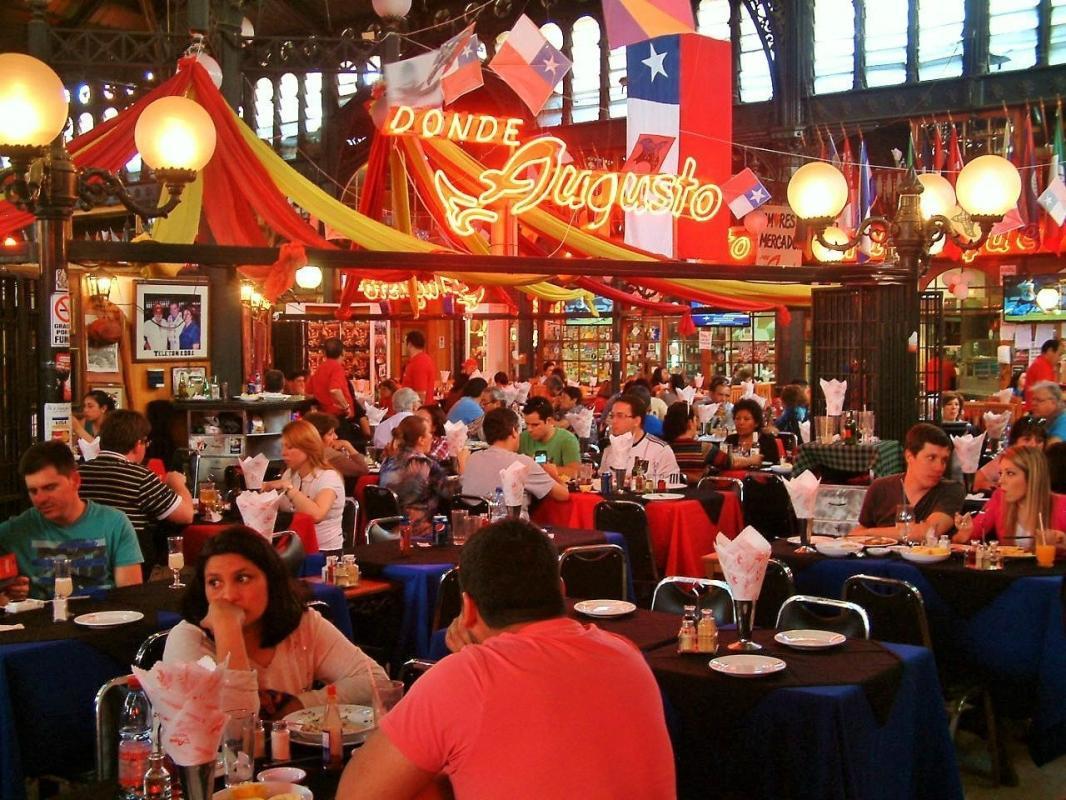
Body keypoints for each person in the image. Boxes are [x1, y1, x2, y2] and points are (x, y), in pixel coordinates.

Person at [337, 519, 676, 800]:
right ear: (560, 590)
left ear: (467, 608)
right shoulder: (627, 654)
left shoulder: (465, 678)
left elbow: (356, 793)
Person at [163, 526, 387, 719]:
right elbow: (237, 729)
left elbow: (376, 683)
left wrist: (303, 704)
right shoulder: (188, 640)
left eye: (242, 579)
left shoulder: (302, 624)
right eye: (215, 582)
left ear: (271, 582)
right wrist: (228, 630)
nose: (228, 595)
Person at [0, 441, 142, 601]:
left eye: (49, 487)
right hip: (44, 622)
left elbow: (131, 597)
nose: (40, 499)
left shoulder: (114, 523)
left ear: (75, 481)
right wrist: (8, 591)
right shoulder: (16, 530)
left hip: (105, 619)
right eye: (33, 491)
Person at [78, 410, 195, 575]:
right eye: (146, 443)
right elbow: (186, 515)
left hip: (85, 559)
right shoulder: (140, 477)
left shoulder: (78, 473)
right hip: (129, 564)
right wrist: (177, 483)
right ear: (138, 444)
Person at [851, 423, 964, 542]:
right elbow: (861, 529)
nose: (939, 467)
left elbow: (929, 532)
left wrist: (867, 534)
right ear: (909, 456)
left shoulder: (952, 490)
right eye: (931, 458)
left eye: (944, 460)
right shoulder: (880, 487)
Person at [953, 446, 1066, 547]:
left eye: (1010, 473)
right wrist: (964, 534)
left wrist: (1063, 542)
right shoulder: (999, 498)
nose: (1001, 481)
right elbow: (965, 539)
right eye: (1001, 473)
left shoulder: (1062, 505)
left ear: (1033, 478)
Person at [263, 420, 345, 556]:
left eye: (289, 448)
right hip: (292, 547)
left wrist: (288, 488)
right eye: (283, 447)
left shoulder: (328, 477)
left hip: (324, 553)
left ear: (308, 448)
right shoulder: (290, 474)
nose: (283, 453)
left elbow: (317, 515)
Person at [461, 408, 569, 504]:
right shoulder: (523, 463)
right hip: (512, 525)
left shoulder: (473, 458)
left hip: (476, 523)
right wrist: (553, 474)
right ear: (514, 431)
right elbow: (563, 495)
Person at [379, 416, 454, 533]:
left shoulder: (388, 460)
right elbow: (449, 493)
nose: (432, 437)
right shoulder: (424, 464)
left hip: (386, 528)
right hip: (418, 529)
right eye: (429, 433)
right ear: (421, 440)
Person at [599, 393, 680, 484]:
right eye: (612, 416)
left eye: (620, 416)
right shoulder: (609, 449)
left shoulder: (660, 450)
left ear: (637, 421)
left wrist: (640, 482)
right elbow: (601, 481)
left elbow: (673, 483)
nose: (614, 421)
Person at [973, 417, 1047, 492]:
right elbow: (975, 482)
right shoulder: (1005, 460)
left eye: (1039, 441)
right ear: (1014, 442)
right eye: (1027, 439)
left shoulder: (1047, 464)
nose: (1033, 445)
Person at [519, 397, 581, 480]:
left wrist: (543, 469)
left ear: (549, 421)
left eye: (535, 425)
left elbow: (574, 472)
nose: (529, 429)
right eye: (527, 424)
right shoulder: (522, 437)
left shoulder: (567, 439)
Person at [709, 398, 779, 470]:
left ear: (756, 423)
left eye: (746, 419)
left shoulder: (767, 441)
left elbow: (773, 467)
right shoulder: (731, 440)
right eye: (737, 418)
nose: (741, 423)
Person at [303, 411, 369, 479]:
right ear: (317, 436)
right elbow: (363, 469)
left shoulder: (300, 451)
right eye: (330, 434)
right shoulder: (329, 454)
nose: (336, 437)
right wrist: (348, 445)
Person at [307, 337, 357, 422]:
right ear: (343, 352)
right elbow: (334, 390)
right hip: (338, 416)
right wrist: (346, 407)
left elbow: (308, 394)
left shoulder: (319, 369)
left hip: (324, 416)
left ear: (324, 353)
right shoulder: (337, 367)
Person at [401, 330, 437, 404]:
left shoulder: (420, 363)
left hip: (416, 410)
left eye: (404, 343)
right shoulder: (417, 361)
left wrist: (416, 413)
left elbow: (421, 394)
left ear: (410, 344)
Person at [1024, 339, 1062, 407]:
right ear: (1050, 351)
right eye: (1058, 354)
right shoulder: (1041, 366)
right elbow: (1046, 393)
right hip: (1038, 410)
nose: (1059, 358)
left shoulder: (1044, 364)